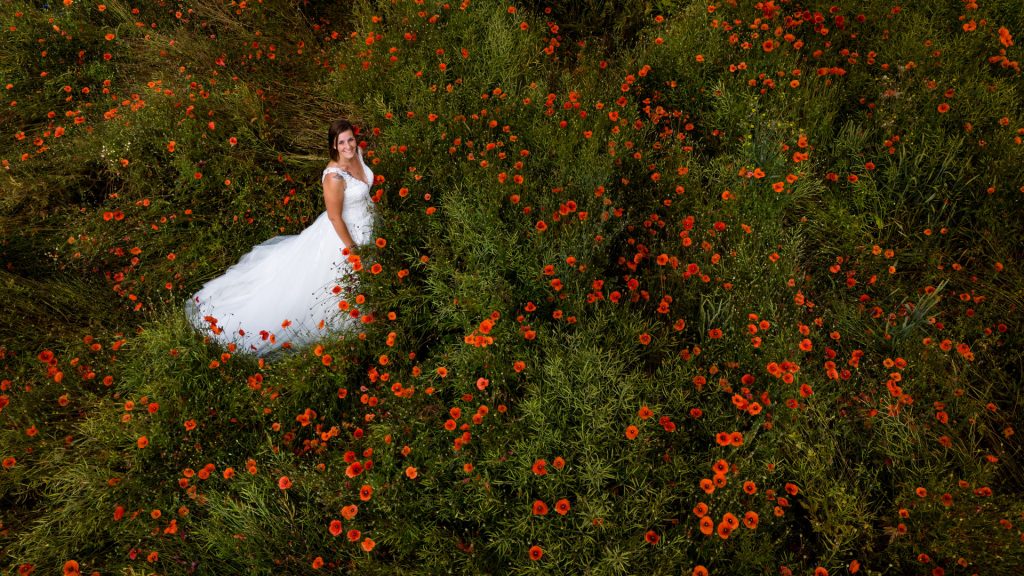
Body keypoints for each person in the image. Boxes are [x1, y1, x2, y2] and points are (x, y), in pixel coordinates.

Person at [185, 119, 375, 355]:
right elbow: (335, 218)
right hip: (345, 235)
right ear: (333, 146)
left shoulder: (358, 154)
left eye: (350, 139)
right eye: (341, 142)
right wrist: (352, 249)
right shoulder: (333, 177)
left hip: (367, 224)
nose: (348, 146)